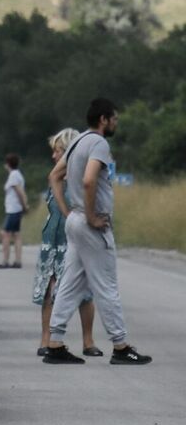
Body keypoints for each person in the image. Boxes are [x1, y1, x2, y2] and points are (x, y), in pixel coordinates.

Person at [44, 99, 152, 365]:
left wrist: (69, 211)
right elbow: (90, 179)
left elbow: (54, 176)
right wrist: (91, 215)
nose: (116, 122)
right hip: (91, 224)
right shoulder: (99, 144)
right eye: (114, 118)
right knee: (106, 285)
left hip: (75, 221)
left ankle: (55, 342)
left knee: (69, 283)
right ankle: (121, 346)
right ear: (103, 119)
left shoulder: (77, 141)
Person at [33, 129, 98, 358]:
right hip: (53, 240)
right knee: (49, 290)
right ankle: (46, 338)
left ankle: (88, 341)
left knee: (84, 291)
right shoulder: (55, 178)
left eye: (57, 151)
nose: (53, 156)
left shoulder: (83, 179)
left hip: (75, 240)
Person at [1, 154, 27, 268]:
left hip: (13, 209)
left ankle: (5, 261)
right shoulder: (16, 174)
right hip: (14, 208)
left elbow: (19, 192)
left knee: (6, 234)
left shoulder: (14, 175)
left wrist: (24, 205)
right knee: (16, 235)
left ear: (8, 164)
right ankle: (17, 260)